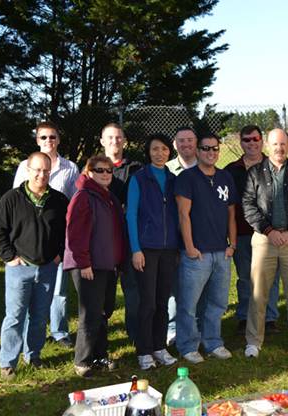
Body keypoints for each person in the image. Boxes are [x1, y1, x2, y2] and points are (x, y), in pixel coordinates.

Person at [0, 152, 69, 379]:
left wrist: (59, 256)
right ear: (28, 170)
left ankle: (33, 355)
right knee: (15, 315)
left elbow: (68, 232)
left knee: (39, 315)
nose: (41, 174)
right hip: (19, 267)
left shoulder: (58, 200)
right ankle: (8, 362)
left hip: (48, 268)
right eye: (37, 170)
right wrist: (10, 257)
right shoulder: (11, 199)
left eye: (46, 170)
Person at [243, 128, 288, 358]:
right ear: (267, 145)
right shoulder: (255, 172)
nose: (279, 148)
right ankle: (253, 341)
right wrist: (268, 230)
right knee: (258, 294)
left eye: (283, 144)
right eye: (275, 144)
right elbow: (248, 205)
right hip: (265, 241)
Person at [13, 121, 79, 348]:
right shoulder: (24, 166)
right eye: (43, 137)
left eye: (52, 137)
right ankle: (27, 337)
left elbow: (73, 205)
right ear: (37, 140)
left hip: (57, 239)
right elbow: (16, 202)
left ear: (58, 139)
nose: (48, 141)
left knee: (59, 289)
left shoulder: (70, 168)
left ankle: (60, 332)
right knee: (26, 294)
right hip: (28, 242)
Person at [175, 133, 238, 363]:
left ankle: (212, 342)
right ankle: (188, 345)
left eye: (214, 149)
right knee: (189, 304)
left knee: (218, 302)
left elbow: (231, 213)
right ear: (198, 151)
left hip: (222, 252)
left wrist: (233, 244)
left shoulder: (225, 177)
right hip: (197, 254)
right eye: (205, 148)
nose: (210, 152)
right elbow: (184, 215)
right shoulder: (187, 178)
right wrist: (190, 248)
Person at [63, 156, 126, 377]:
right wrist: (84, 263)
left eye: (109, 170)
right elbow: (75, 234)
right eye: (99, 170)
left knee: (102, 312)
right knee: (90, 313)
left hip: (107, 265)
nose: (105, 174)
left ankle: (99, 356)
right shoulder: (83, 197)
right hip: (89, 266)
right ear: (88, 172)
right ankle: (83, 361)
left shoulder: (107, 197)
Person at [127, 134, 180, 370]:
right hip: (146, 249)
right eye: (155, 149)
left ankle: (159, 347)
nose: (160, 153)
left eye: (164, 149)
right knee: (147, 303)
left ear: (170, 152)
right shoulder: (139, 178)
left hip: (169, 250)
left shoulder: (173, 178)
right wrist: (136, 249)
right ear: (148, 152)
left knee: (162, 301)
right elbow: (131, 215)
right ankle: (144, 350)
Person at [224, 125, 281, 336]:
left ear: (262, 141)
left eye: (255, 139)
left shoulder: (274, 166)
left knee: (271, 277)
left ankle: (270, 317)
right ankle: (244, 317)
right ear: (241, 142)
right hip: (241, 232)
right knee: (245, 277)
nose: (251, 143)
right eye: (247, 140)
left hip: (269, 232)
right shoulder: (231, 170)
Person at [99, 123, 142, 343]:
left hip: (128, 239)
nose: (115, 141)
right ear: (102, 141)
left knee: (132, 290)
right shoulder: (94, 168)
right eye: (110, 137)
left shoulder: (135, 168)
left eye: (118, 137)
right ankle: (100, 339)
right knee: (103, 293)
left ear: (124, 141)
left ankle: (135, 335)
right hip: (103, 242)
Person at [165, 126, 199, 346]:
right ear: (174, 144)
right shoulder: (167, 170)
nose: (186, 144)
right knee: (173, 286)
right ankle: (173, 328)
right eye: (181, 141)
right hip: (172, 238)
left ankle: (198, 327)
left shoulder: (208, 166)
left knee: (199, 287)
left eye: (190, 140)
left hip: (202, 238)